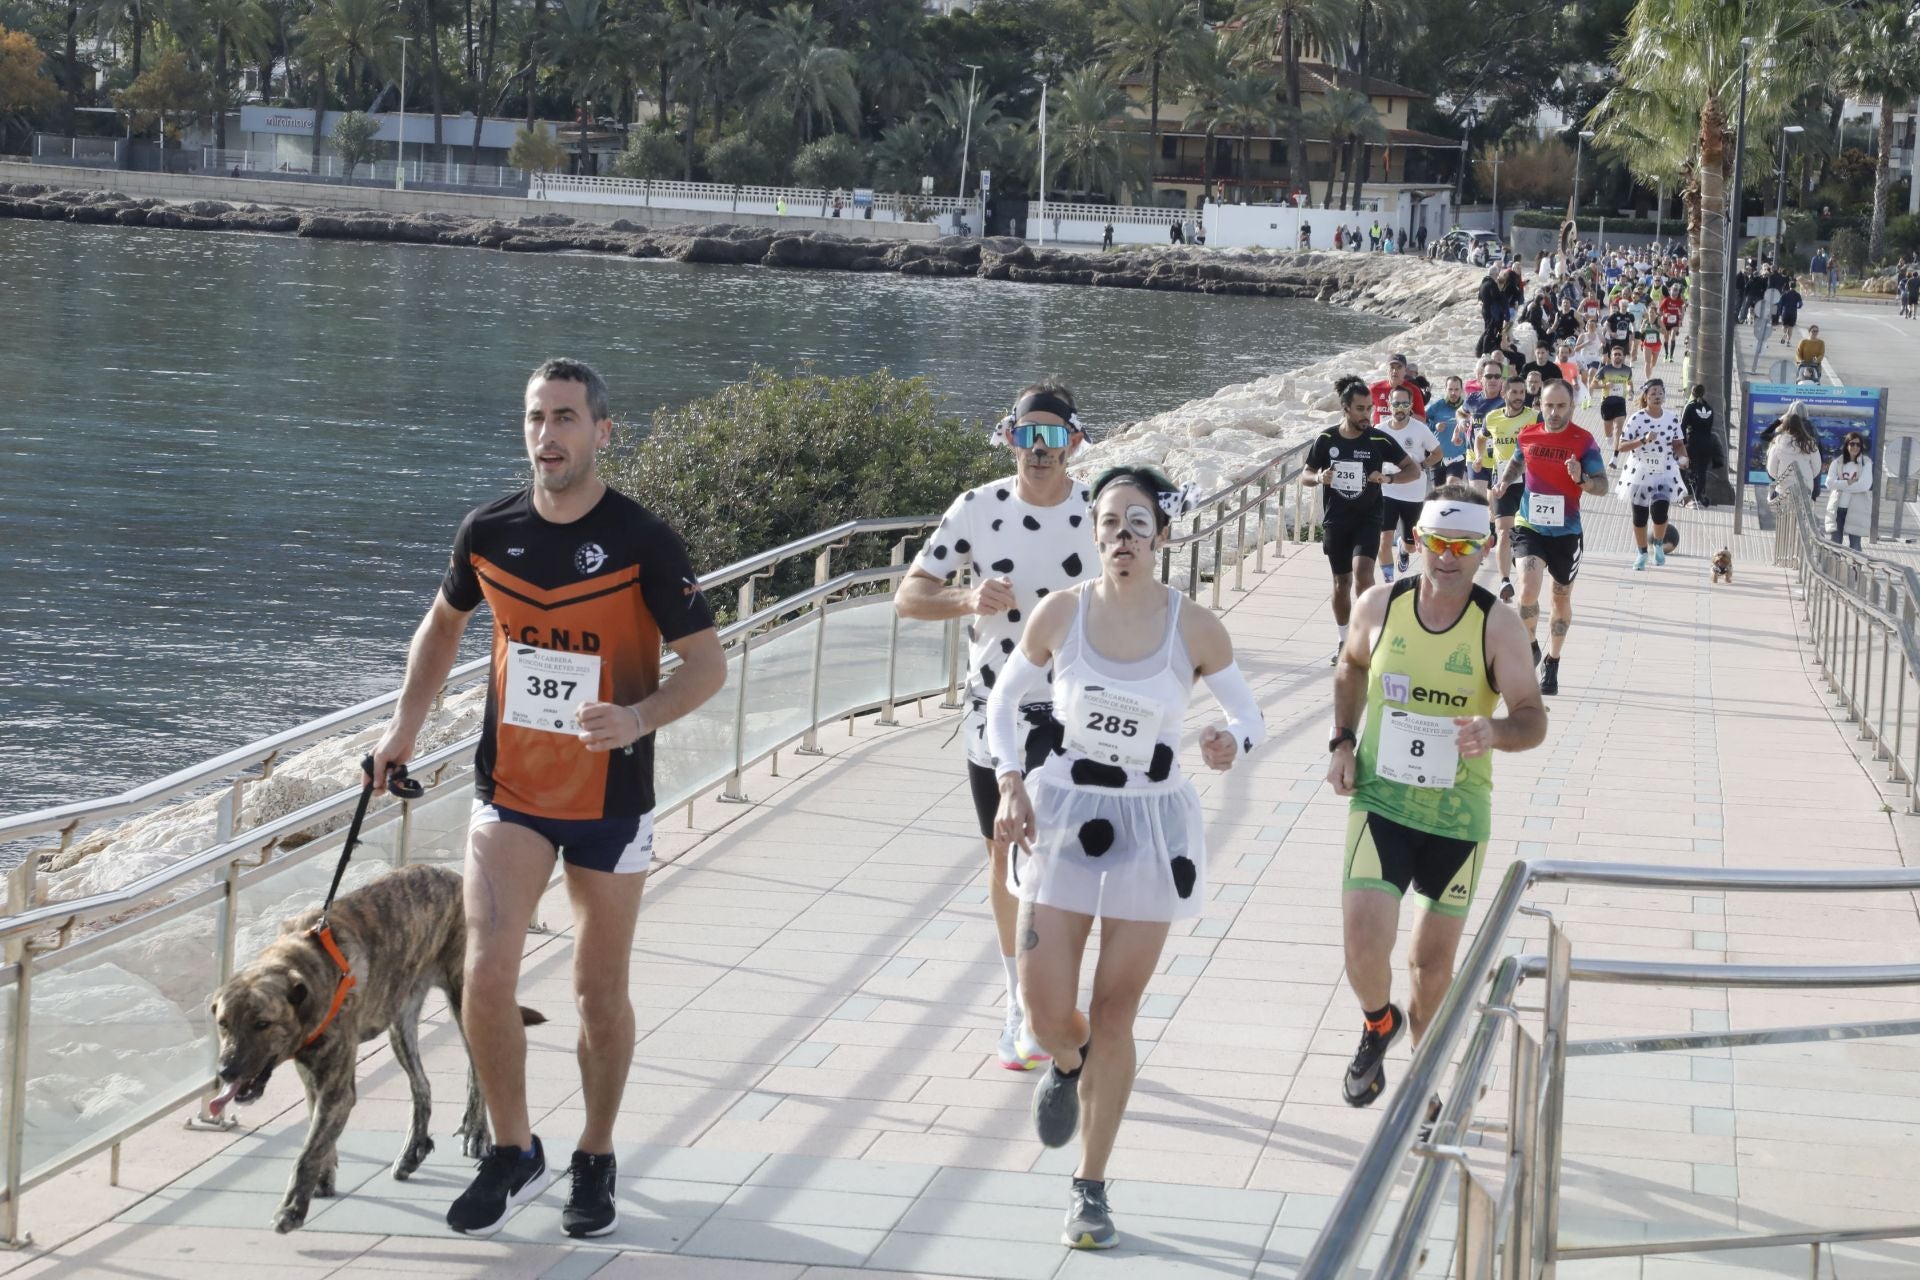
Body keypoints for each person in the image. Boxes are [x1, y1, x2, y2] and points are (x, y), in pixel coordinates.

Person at [366, 358, 727, 1238]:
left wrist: (637, 715)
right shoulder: (488, 530)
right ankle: (514, 1147)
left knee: (598, 993)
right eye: (535, 418)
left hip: (612, 797)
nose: (547, 435)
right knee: (484, 977)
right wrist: (401, 731)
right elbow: (443, 623)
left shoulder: (645, 538)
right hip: (513, 790)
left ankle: (595, 1155)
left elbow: (708, 665)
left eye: (565, 418)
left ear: (602, 432)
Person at [993, 466, 1265, 1251]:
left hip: (1152, 824)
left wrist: (1228, 741)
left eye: (1137, 524)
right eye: (1109, 523)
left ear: (1163, 535)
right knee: (1050, 1016)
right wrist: (1012, 783)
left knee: (1116, 1013)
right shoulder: (1061, 614)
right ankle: (1067, 1062)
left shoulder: (1195, 627)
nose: (1122, 538)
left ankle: (1091, 1186)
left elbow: (1249, 717)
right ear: (1093, 533)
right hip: (1065, 814)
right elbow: (1007, 704)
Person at [895, 386, 1096, 1071]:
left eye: (1051, 436)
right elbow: (908, 595)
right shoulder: (978, 508)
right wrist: (964, 598)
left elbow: (1143, 596)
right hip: (995, 708)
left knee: (1054, 858)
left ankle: (1048, 1001)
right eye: (1024, 435)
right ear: (1007, 438)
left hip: (1076, 712)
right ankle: (1022, 1003)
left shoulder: (1099, 513)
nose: (1037, 451)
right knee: (1005, 853)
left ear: (1074, 440)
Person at [1328, 483, 1547, 1107]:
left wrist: (1495, 731)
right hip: (1381, 803)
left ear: (1484, 550)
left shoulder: (1497, 626)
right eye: (1438, 543)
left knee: (1430, 965)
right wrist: (1342, 742)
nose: (1448, 557)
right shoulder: (1379, 606)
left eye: (1464, 545)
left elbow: (1533, 717)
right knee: (1363, 941)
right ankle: (1378, 1022)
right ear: (1417, 540)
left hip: (1456, 817)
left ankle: (1427, 1087)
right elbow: (1349, 665)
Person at [1493, 379, 1608, 696]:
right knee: (1527, 591)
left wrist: (1581, 479)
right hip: (1529, 525)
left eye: (1560, 406)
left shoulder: (1583, 442)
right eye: (1548, 406)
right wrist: (1504, 482)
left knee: (1560, 598)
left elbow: (1602, 485)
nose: (1554, 412)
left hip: (1566, 533)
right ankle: (1530, 644)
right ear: (1539, 405)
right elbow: (1518, 461)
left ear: (1572, 406)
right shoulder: (1528, 433)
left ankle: (1552, 661)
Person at [1305, 376, 1421, 662]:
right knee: (1340, 583)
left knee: (1363, 573)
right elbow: (1306, 475)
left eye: (1369, 408)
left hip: (1369, 518)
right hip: (1336, 521)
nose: (1367, 415)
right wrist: (1320, 477)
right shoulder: (1327, 439)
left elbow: (1414, 470)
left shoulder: (1379, 439)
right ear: (1345, 408)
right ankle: (1345, 640)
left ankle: (1367, 638)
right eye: (1360, 409)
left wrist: (1388, 477)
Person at [1472, 374, 1539, 602]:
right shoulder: (1492, 418)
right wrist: (1480, 455)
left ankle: (1518, 560)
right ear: (1504, 394)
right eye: (1515, 392)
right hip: (1501, 482)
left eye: (1522, 392)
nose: (1519, 397)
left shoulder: (1534, 417)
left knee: (1524, 532)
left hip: (1528, 482)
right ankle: (1504, 581)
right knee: (1502, 531)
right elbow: (1480, 438)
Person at [1617, 380, 1688, 570]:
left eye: (1660, 393)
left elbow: (1678, 444)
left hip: (1664, 470)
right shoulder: (1636, 418)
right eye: (1653, 393)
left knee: (1660, 511)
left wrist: (1683, 457)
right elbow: (1621, 446)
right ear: (1646, 397)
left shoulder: (1672, 418)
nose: (1657, 396)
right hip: (1640, 470)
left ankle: (1658, 544)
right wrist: (1642, 440)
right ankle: (1641, 553)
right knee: (1639, 516)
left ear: (1664, 396)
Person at [1375, 388, 1443, 580]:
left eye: (1405, 404)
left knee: (1412, 545)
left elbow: (1437, 453)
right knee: (1384, 538)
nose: (1400, 408)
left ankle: (1404, 549)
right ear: (1389, 404)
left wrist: (1421, 465)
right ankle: (1389, 581)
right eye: (1396, 404)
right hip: (1387, 490)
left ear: (1411, 405)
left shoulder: (1420, 429)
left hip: (1413, 493)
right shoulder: (1380, 430)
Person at [1826, 432, 1874, 549]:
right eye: (1852, 444)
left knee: (1855, 546)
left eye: (1858, 444)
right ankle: (1835, 567)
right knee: (1835, 544)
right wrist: (1849, 482)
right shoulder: (1837, 462)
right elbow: (1829, 483)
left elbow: (1864, 485)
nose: (1855, 447)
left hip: (1856, 509)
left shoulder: (1866, 463)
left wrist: (1840, 484)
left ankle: (1854, 568)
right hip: (1838, 508)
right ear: (1847, 445)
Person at [1680, 384, 1723, 508]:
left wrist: (1683, 443)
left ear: (1692, 393)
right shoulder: (1709, 408)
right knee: (1702, 471)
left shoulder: (1690, 406)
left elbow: (1682, 426)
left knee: (1688, 469)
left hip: (1693, 442)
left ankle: (1690, 495)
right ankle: (1698, 497)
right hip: (1708, 442)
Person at [1591, 343, 1635, 457]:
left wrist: (1630, 391)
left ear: (1623, 356)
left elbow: (1630, 383)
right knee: (1608, 429)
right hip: (1607, 402)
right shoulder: (1605, 369)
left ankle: (1615, 455)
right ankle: (1608, 437)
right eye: (1615, 354)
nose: (1617, 356)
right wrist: (1604, 386)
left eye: (1619, 354)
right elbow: (1593, 385)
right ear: (1611, 356)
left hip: (1620, 402)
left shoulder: (1627, 370)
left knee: (1618, 428)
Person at [1428, 375, 1471, 482]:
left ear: (1461, 390)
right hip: (1437, 456)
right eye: (1450, 389)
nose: (1453, 393)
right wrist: (1434, 426)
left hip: (1458, 456)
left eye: (1456, 389)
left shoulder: (1467, 407)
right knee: (1438, 495)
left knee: (1452, 485)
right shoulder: (1437, 405)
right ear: (1445, 389)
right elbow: (1422, 422)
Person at [1369, 353, 1428, 423]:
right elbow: (1363, 411)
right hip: (1378, 432)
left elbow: (1422, 420)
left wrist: (1406, 412)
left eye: (1399, 367)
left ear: (1405, 370)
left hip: (1403, 433)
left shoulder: (1413, 390)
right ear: (1387, 369)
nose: (1394, 371)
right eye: (1392, 367)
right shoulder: (1375, 388)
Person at [1775, 276, 1804, 348]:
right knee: (1790, 327)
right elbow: (1800, 304)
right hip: (1793, 312)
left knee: (1784, 326)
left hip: (1785, 312)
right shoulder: (1797, 295)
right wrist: (1798, 307)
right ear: (1795, 286)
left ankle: (1784, 334)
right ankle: (1788, 341)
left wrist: (1780, 311)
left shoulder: (1784, 294)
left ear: (1789, 286)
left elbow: (1779, 303)